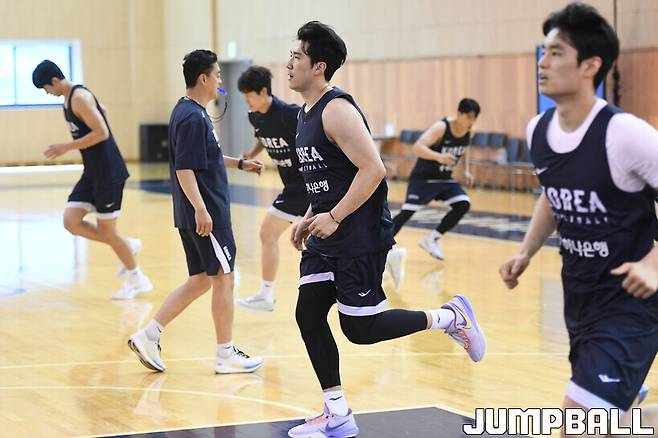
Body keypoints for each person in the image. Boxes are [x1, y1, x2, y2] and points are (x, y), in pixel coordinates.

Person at [286, 21, 486, 438]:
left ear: (319, 66)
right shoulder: (304, 114)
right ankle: (337, 413)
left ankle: (449, 317)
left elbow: (373, 169)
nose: (289, 63)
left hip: (357, 235)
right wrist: (309, 216)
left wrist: (334, 216)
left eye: (297, 56)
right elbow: (327, 177)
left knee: (360, 330)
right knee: (308, 313)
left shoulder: (336, 109)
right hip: (327, 236)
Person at [499, 3, 658, 434]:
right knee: (602, 419)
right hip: (580, 295)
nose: (543, 62)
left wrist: (654, 262)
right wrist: (526, 251)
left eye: (556, 53)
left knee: (577, 424)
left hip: (630, 303)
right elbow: (554, 195)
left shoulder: (625, 134)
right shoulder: (538, 130)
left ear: (590, 65)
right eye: (543, 52)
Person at [127, 49, 263, 374]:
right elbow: (184, 169)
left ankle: (149, 335)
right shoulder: (191, 117)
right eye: (217, 75)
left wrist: (240, 164)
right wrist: (201, 209)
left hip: (200, 214)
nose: (220, 81)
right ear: (203, 78)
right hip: (207, 215)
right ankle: (225, 353)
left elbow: (207, 157)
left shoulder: (191, 112)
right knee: (225, 278)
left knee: (202, 279)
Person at [32, 60, 152, 300]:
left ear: (54, 80)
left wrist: (65, 147)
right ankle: (127, 245)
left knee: (108, 232)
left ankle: (137, 279)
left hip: (108, 172)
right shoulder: (69, 98)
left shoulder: (79, 98)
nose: (47, 93)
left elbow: (102, 132)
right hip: (93, 171)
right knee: (71, 221)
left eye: (46, 88)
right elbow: (103, 110)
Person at [234, 65, 309, 312]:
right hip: (292, 185)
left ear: (264, 92)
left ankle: (266, 295)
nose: (247, 101)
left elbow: (313, 136)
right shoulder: (255, 115)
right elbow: (262, 135)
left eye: (249, 96)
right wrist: (251, 154)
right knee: (334, 240)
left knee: (267, 232)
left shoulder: (290, 114)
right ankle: (388, 257)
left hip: (305, 186)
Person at [386, 98, 480, 288]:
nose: (471, 122)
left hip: (444, 180)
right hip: (424, 179)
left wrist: (466, 170)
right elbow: (417, 147)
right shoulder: (441, 127)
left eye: (474, 118)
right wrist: (439, 156)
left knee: (463, 203)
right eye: (468, 117)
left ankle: (432, 239)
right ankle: (382, 246)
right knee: (407, 213)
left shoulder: (469, 131)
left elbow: (464, 149)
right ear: (459, 113)